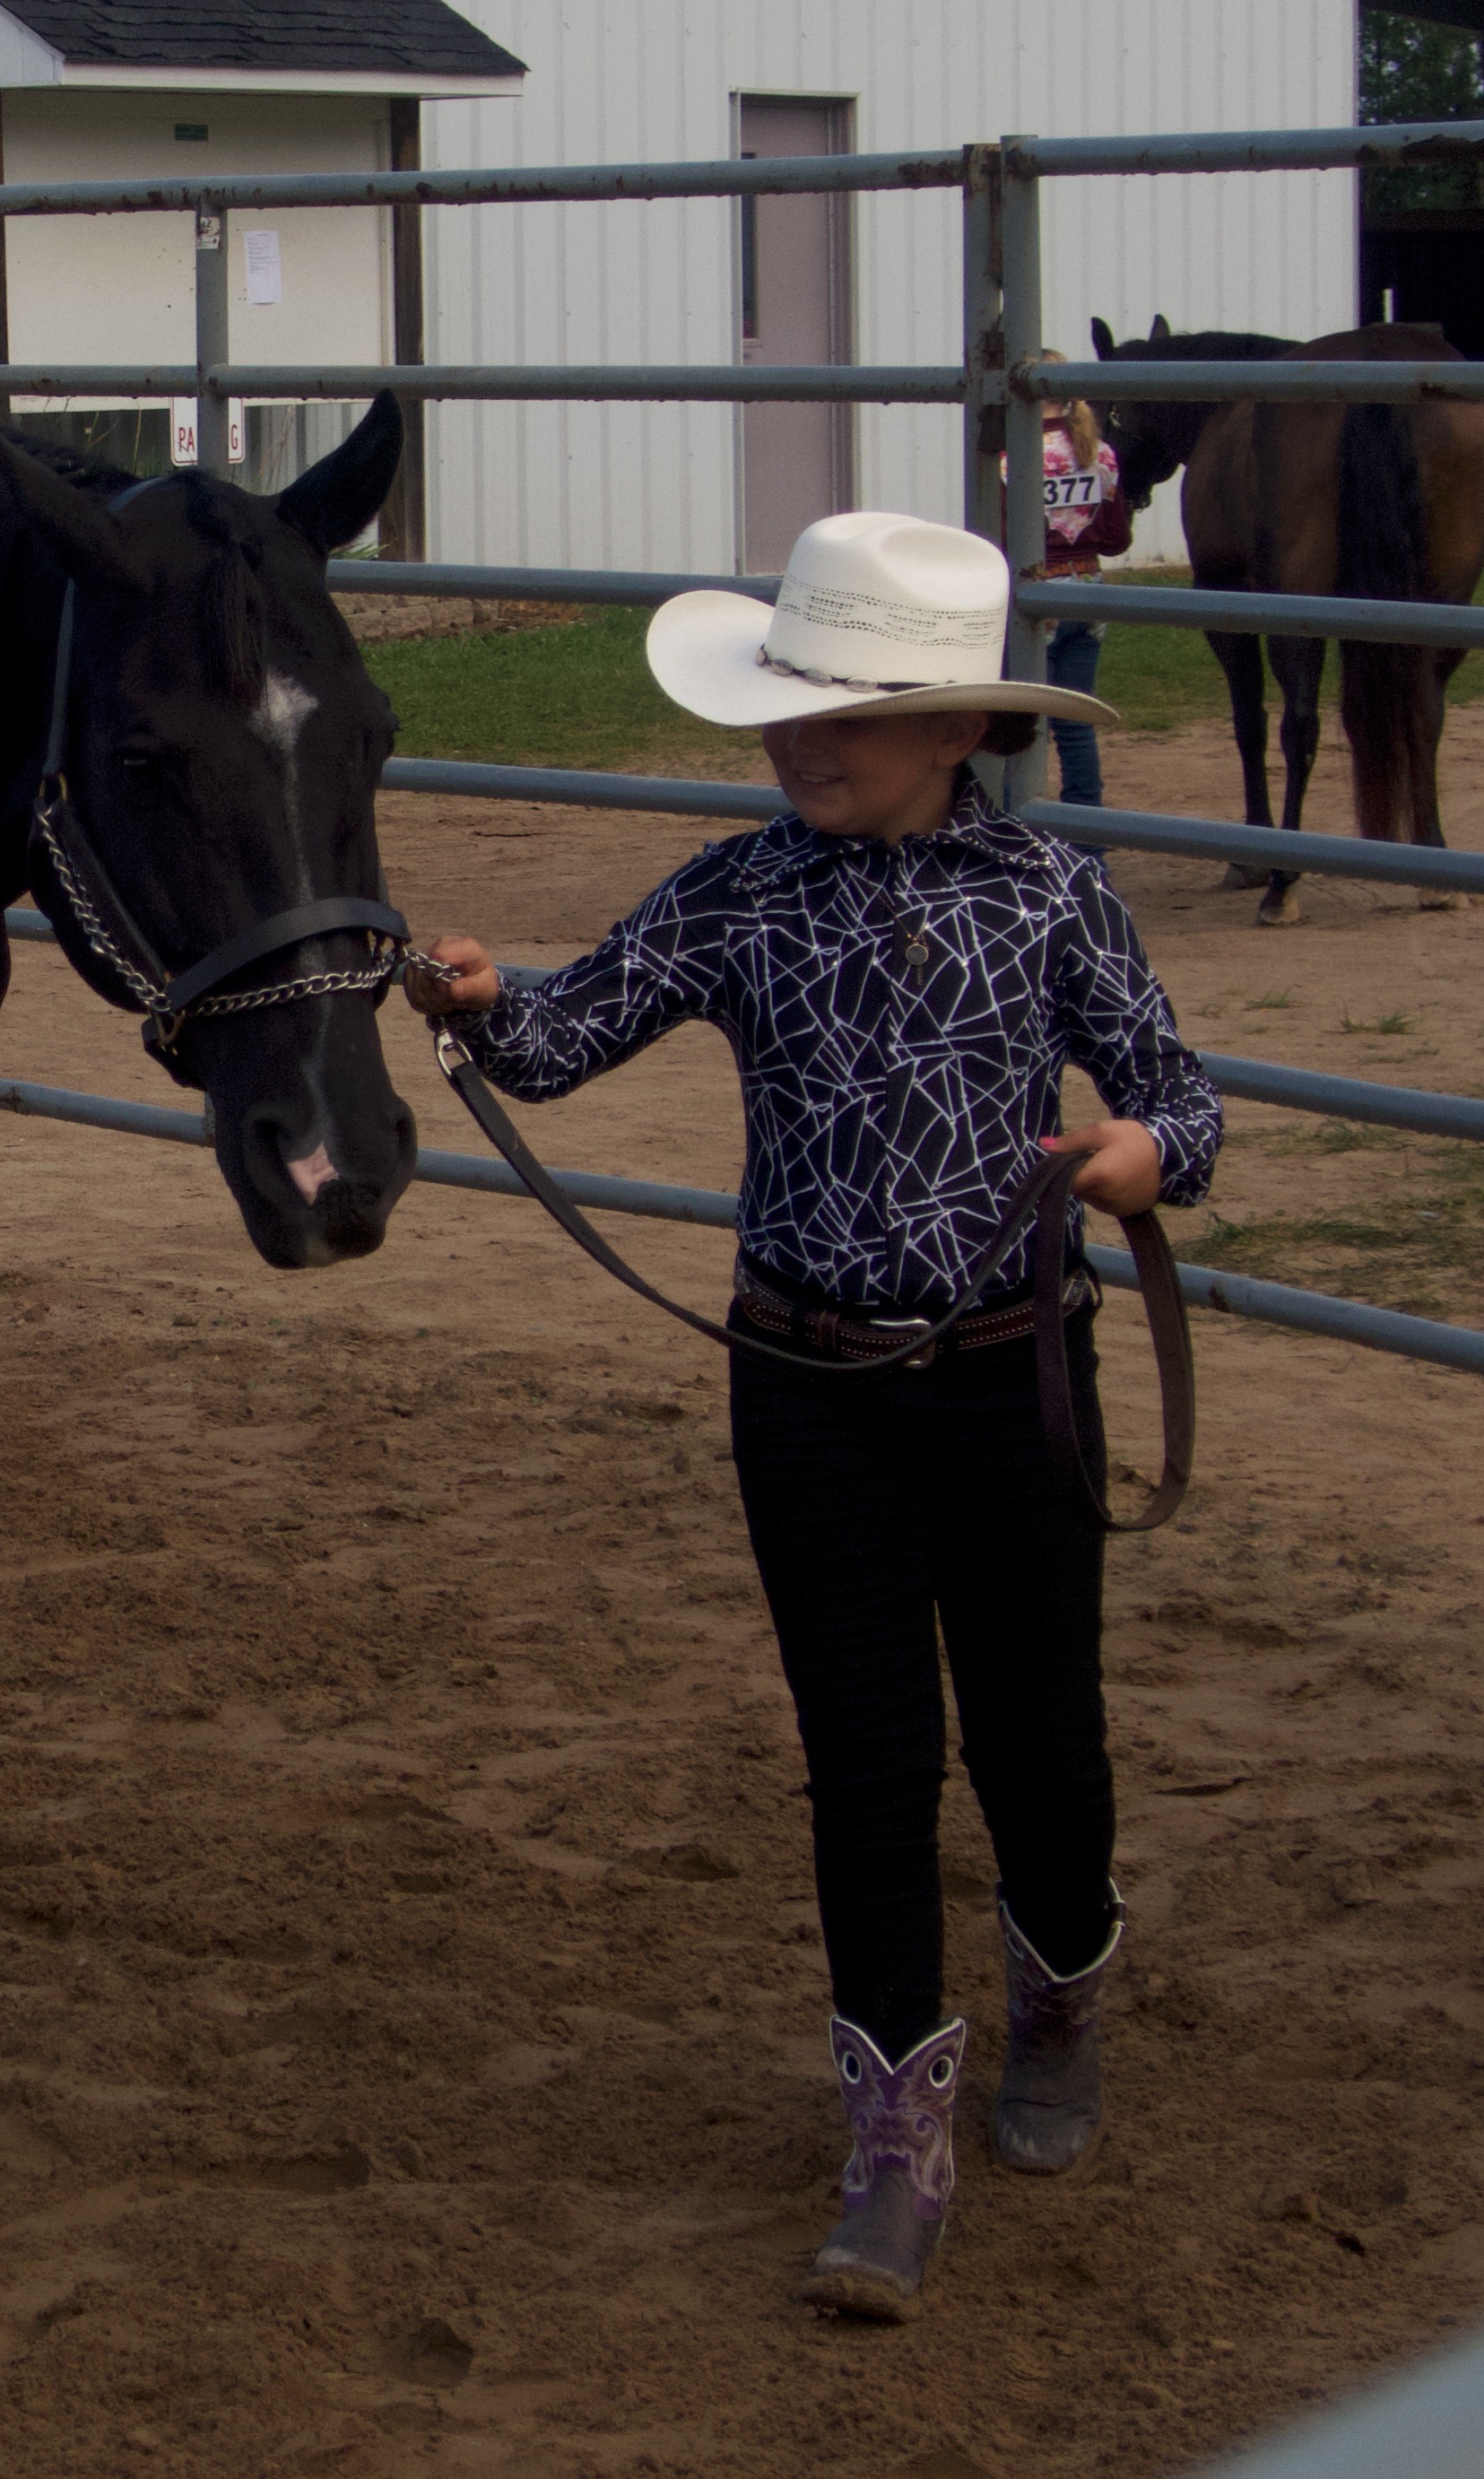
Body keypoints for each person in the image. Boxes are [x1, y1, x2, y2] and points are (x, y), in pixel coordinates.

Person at [400, 510, 1214, 2324]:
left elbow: (1180, 1091)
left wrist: (1144, 1154)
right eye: (788, 705)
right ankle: (894, 2132)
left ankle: (1060, 1984)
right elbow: (565, 1035)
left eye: (843, 712)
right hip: (806, 1387)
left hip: (1011, 1380)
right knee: (866, 1758)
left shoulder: (1051, 896)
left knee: (1043, 1744)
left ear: (957, 730)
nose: (797, 741)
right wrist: (484, 1002)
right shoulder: (736, 891)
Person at [1029, 376, 1132, 806]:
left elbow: (1000, 534)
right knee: (1076, 722)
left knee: (1025, 720)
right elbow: (1117, 540)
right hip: (1090, 589)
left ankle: (1020, 818)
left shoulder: (1015, 454)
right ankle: (1086, 825)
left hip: (1038, 593)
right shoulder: (1099, 453)